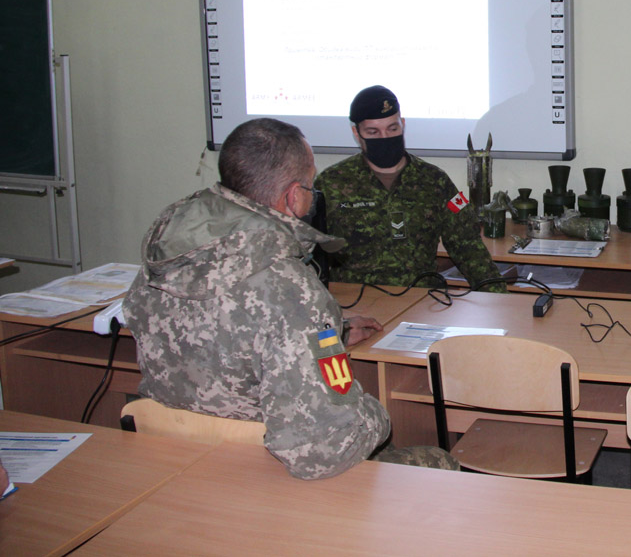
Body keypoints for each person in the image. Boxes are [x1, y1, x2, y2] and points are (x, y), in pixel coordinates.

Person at [124, 118, 393, 480]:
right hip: (259, 478)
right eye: (310, 186)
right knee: (434, 463)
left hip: (171, 467)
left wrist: (331, 335)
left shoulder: (167, 258)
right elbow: (323, 451)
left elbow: (225, 329)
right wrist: (379, 415)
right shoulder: (293, 291)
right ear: (293, 196)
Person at [316, 85, 505, 292]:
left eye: (392, 129)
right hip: (355, 300)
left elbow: (468, 246)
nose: (385, 137)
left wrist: (498, 298)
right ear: (356, 132)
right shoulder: (331, 184)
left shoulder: (435, 181)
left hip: (420, 298)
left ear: (403, 124)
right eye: (373, 132)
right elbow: (309, 250)